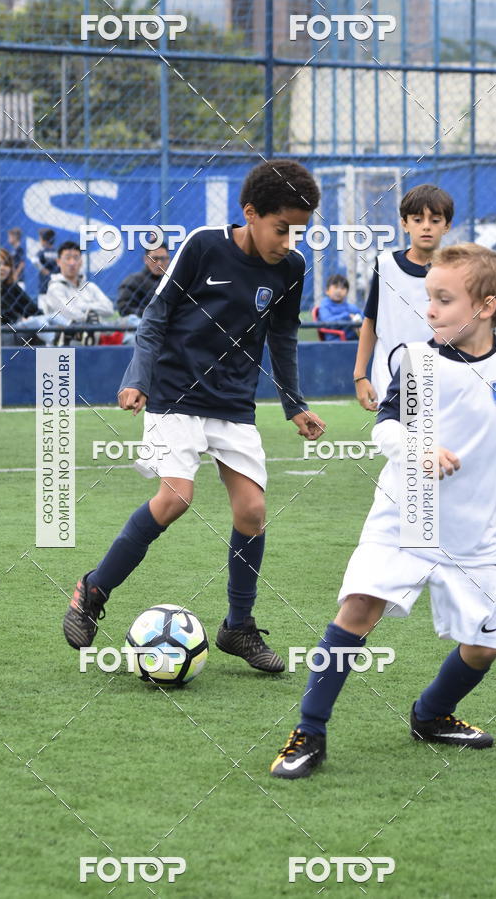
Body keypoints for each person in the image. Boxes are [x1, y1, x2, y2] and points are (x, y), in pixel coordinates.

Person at [270, 243, 496, 779]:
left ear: (486, 306)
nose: (429, 310)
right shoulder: (418, 361)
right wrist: (421, 449)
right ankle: (309, 731)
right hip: (405, 517)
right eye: (427, 298)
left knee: (484, 648)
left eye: (443, 299)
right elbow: (388, 427)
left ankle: (432, 714)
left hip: (472, 537)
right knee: (358, 610)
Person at [62, 159, 326, 672]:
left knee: (252, 511)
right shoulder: (204, 245)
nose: (291, 242)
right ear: (250, 213)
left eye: (301, 232)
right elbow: (155, 319)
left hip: (232, 403)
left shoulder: (290, 269)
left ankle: (238, 628)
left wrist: (295, 404)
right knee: (176, 497)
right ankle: (92, 591)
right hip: (173, 392)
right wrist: (136, 378)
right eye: (282, 229)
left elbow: (284, 338)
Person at [353, 184, 454, 411]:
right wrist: (359, 374)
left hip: (441, 377)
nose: (426, 226)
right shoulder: (386, 266)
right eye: (418, 220)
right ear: (404, 224)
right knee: (400, 441)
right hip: (391, 376)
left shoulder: (457, 270)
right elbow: (371, 321)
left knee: (434, 444)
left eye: (435, 220)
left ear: (447, 226)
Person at [18, 241, 114, 345]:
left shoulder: (90, 287)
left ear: (81, 262)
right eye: (67, 258)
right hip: (63, 349)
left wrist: (83, 308)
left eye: (76, 258)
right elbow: (69, 313)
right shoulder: (54, 288)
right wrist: (89, 315)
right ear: (58, 262)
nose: (72, 263)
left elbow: (109, 309)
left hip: (93, 340)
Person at [317, 274, 362, 340]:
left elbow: (362, 315)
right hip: (335, 341)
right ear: (327, 291)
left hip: (352, 340)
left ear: (347, 292)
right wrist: (347, 316)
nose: (339, 291)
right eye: (336, 287)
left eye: (342, 288)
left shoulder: (348, 306)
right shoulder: (325, 305)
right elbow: (327, 322)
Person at [35, 228, 59, 295]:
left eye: (40, 239)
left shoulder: (42, 252)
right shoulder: (57, 252)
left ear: (44, 241)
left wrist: (46, 272)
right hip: (57, 285)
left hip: (44, 287)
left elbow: (35, 261)